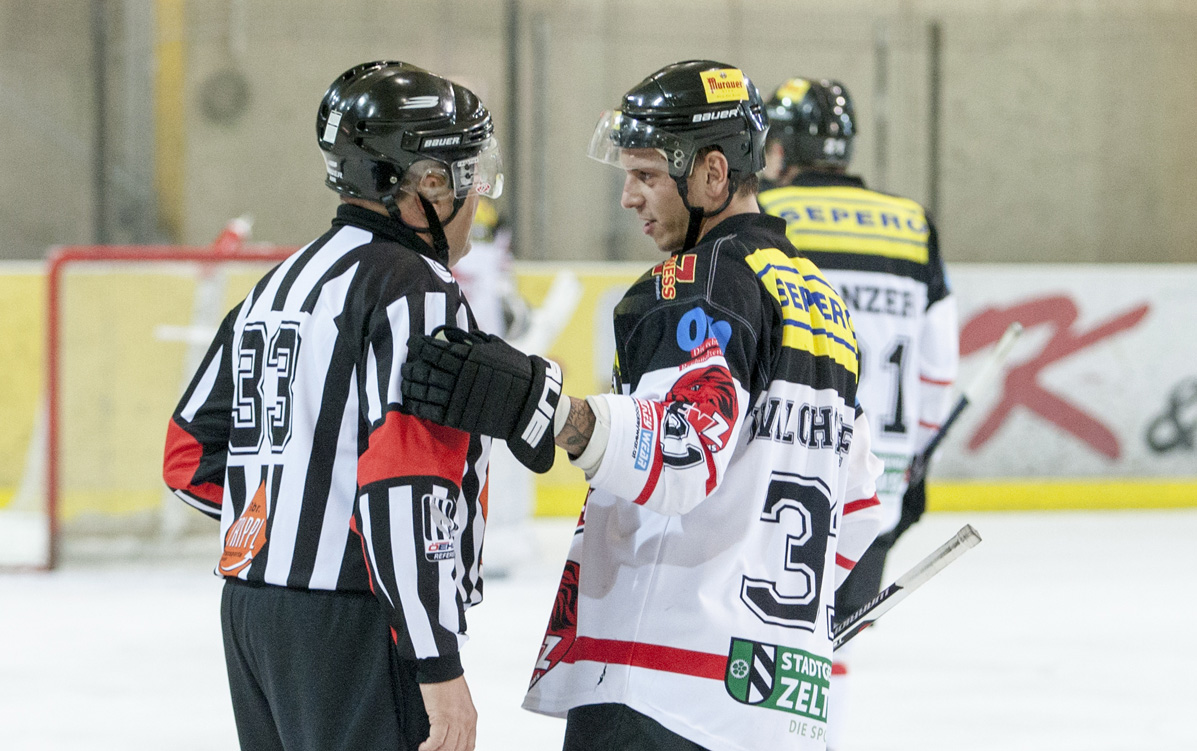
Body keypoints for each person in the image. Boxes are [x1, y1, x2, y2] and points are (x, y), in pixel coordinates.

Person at [400, 60, 884, 751]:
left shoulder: (696, 281)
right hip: (775, 712)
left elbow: (679, 451)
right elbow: (859, 513)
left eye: (647, 175)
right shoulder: (824, 307)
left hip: (661, 689)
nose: (628, 196)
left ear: (712, 173)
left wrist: (546, 408)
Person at [162, 60, 506, 751]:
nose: (478, 193)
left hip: (254, 614)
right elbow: (405, 485)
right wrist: (436, 662)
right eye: (468, 172)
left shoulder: (277, 285)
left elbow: (187, 456)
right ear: (427, 182)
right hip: (357, 622)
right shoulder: (418, 289)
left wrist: (289, 520)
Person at [758, 77, 960, 749]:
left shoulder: (764, 211)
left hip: (787, 462)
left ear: (780, 148)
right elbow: (939, 365)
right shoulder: (912, 224)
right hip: (879, 481)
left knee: (760, 636)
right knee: (834, 640)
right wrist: (915, 459)